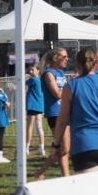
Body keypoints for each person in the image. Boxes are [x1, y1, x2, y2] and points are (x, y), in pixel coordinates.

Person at [48, 48, 98, 175]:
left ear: (78, 65)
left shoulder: (71, 86)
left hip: (84, 144)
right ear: (97, 64)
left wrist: (56, 145)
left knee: (88, 192)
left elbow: (62, 120)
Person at [41, 47, 70, 177]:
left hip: (64, 111)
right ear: (55, 58)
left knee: (65, 148)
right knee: (64, 148)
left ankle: (65, 175)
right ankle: (41, 172)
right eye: (64, 57)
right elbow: (57, 93)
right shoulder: (49, 74)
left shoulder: (61, 73)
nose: (67, 59)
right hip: (54, 113)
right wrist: (71, 86)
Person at [24, 64, 45, 157]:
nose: (30, 71)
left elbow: (25, 82)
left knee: (30, 126)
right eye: (30, 70)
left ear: (38, 71)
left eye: (32, 70)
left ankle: (27, 147)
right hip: (39, 106)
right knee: (39, 127)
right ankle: (41, 147)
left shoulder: (33, 80)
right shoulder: (40, 80)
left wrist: (25, 77)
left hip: (33, 105)